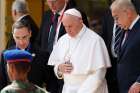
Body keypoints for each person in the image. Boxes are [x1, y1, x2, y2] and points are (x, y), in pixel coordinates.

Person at [48, 8, 111, 93]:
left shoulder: (95, 40)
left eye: (70, 26)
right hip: (68, 89)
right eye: (65, 26)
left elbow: (99, 73)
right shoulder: (63, 40)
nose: (67, 30)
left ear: (80, 21)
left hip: (91, 89)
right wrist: (59, 68)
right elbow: (56, 64)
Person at [36, 0, 89, 93]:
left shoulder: (75, 14)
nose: (51, 4)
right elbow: (39, 42)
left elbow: (84, 42)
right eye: (48, 1)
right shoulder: (47, 15)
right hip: (48, 71)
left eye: (54, 1)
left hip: (68, 71)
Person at [0, 21, 48, 90]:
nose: (21, 42)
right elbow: (2, 82)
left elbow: (51, 82)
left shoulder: (42, 55)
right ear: (13, 36)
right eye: (17, 37)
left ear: (30, 34)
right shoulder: (5, 55)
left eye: (24, 37)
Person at [110, 0, 140, 93]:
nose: (115, 22)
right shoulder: (125, 28)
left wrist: (139, 82)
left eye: (116, 18)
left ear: (128, 13)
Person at [101, 0, 120, 92]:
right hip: (111, 65)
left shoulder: (135, 9)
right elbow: (104, 37)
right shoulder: (108, 13)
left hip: (130, 66)